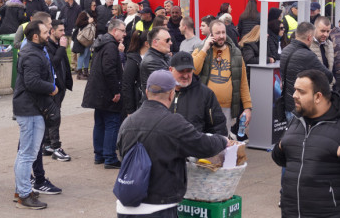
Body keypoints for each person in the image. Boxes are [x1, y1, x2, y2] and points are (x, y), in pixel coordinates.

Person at [116, 70, 232, 218]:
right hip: (158, 208)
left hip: (125, 207)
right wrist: (222, 140)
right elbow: (204, 146)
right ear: (171, 94)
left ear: (146, 92)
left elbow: (120, 154)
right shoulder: (174, 123)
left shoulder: (127, 122)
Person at [272, 69, 340, 218]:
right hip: (292, 212)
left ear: (318, 97)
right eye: (295, 90)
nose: (294, 95)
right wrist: (280, 147)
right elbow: (283, 159)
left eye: (301, 91)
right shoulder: (296, 120)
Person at [12, 21, 57, 210]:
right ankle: (24, 195)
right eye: (46, 32)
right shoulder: (31, 54)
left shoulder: (34, 50)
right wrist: (52, 87)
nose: (49, 34)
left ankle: (20, 190)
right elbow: (32, 82)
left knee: (25, 153)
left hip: (30, 107)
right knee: (28, 153)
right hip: (30, 108)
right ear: (35, 36)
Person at [191, 18, 252, 132]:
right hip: (204, 106)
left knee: (223, 141)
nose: (221, 36)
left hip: (226, 109)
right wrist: (205, 49)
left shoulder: (235, 53)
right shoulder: (200, 49)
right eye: (217, 33)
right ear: (211, 34)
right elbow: (193, 71)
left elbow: (243, 82)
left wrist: (247, 108)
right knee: (204, 139)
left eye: (223, 32)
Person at [82, 18, 127, 169]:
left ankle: (99, 154)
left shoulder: (102, 43)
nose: (125, 34)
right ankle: (109, 157)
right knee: (111, 124)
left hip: (98, 92)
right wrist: (116, 91)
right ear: (114, 31)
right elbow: (109, 70)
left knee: (100, 123)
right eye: (122, 31)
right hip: (107, 93)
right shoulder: (110, 46)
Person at [279, 22, 332, 121]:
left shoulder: (285, 50)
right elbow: (328, 76)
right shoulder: (308, 55)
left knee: (292, 130)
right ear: (309, 37)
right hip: (303, 107)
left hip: (288, 104)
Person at [168, 51, 227, 135]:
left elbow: (218, 126)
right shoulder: (161, 91)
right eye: (181, 71)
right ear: (171, 70)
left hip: (194, 143)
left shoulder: (206, 94)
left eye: (189, 71)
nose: (185, 76)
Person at [140, 27, 171, 92]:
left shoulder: (164, 56)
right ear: (155, 42)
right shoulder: (151, 61)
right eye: (167, 40)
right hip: (157, 97)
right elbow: (168, 82)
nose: (171, 43)